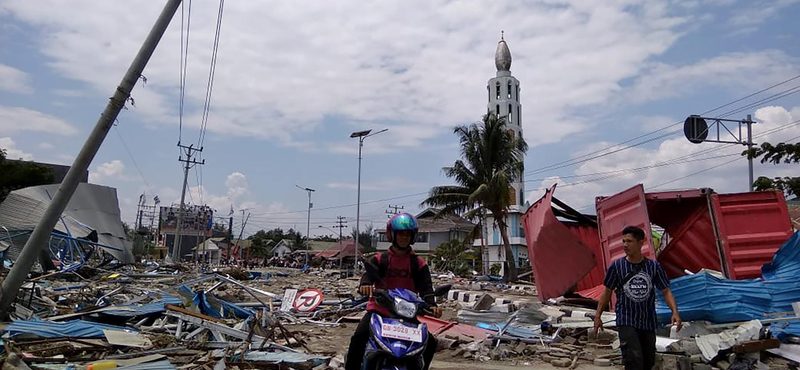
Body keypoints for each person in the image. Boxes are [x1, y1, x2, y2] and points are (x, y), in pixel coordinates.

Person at [344, 213, 441, 370]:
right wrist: (366, 285)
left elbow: (426, 287)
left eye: (408, 234)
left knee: (429, 343)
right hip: (379, 311)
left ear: (413, 236)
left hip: (407, 314)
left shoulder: (418, 263)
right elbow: (368, 276)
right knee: (359, 337)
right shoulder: (379, 259)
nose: (404, 237)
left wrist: (432, 304)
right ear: (393, 235)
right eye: (401, 234)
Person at [594, 226, 681, 370]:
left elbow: (666, 290)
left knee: (648, 362)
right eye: (623, 241)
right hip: (626, 320)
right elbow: (607, 292)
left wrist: (675, 312)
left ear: (641, 243)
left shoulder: (653, 267)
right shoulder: (617, 267)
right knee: (633, 359)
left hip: (647, 321)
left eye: (629, 241)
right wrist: (598, 316)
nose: (625, 245)